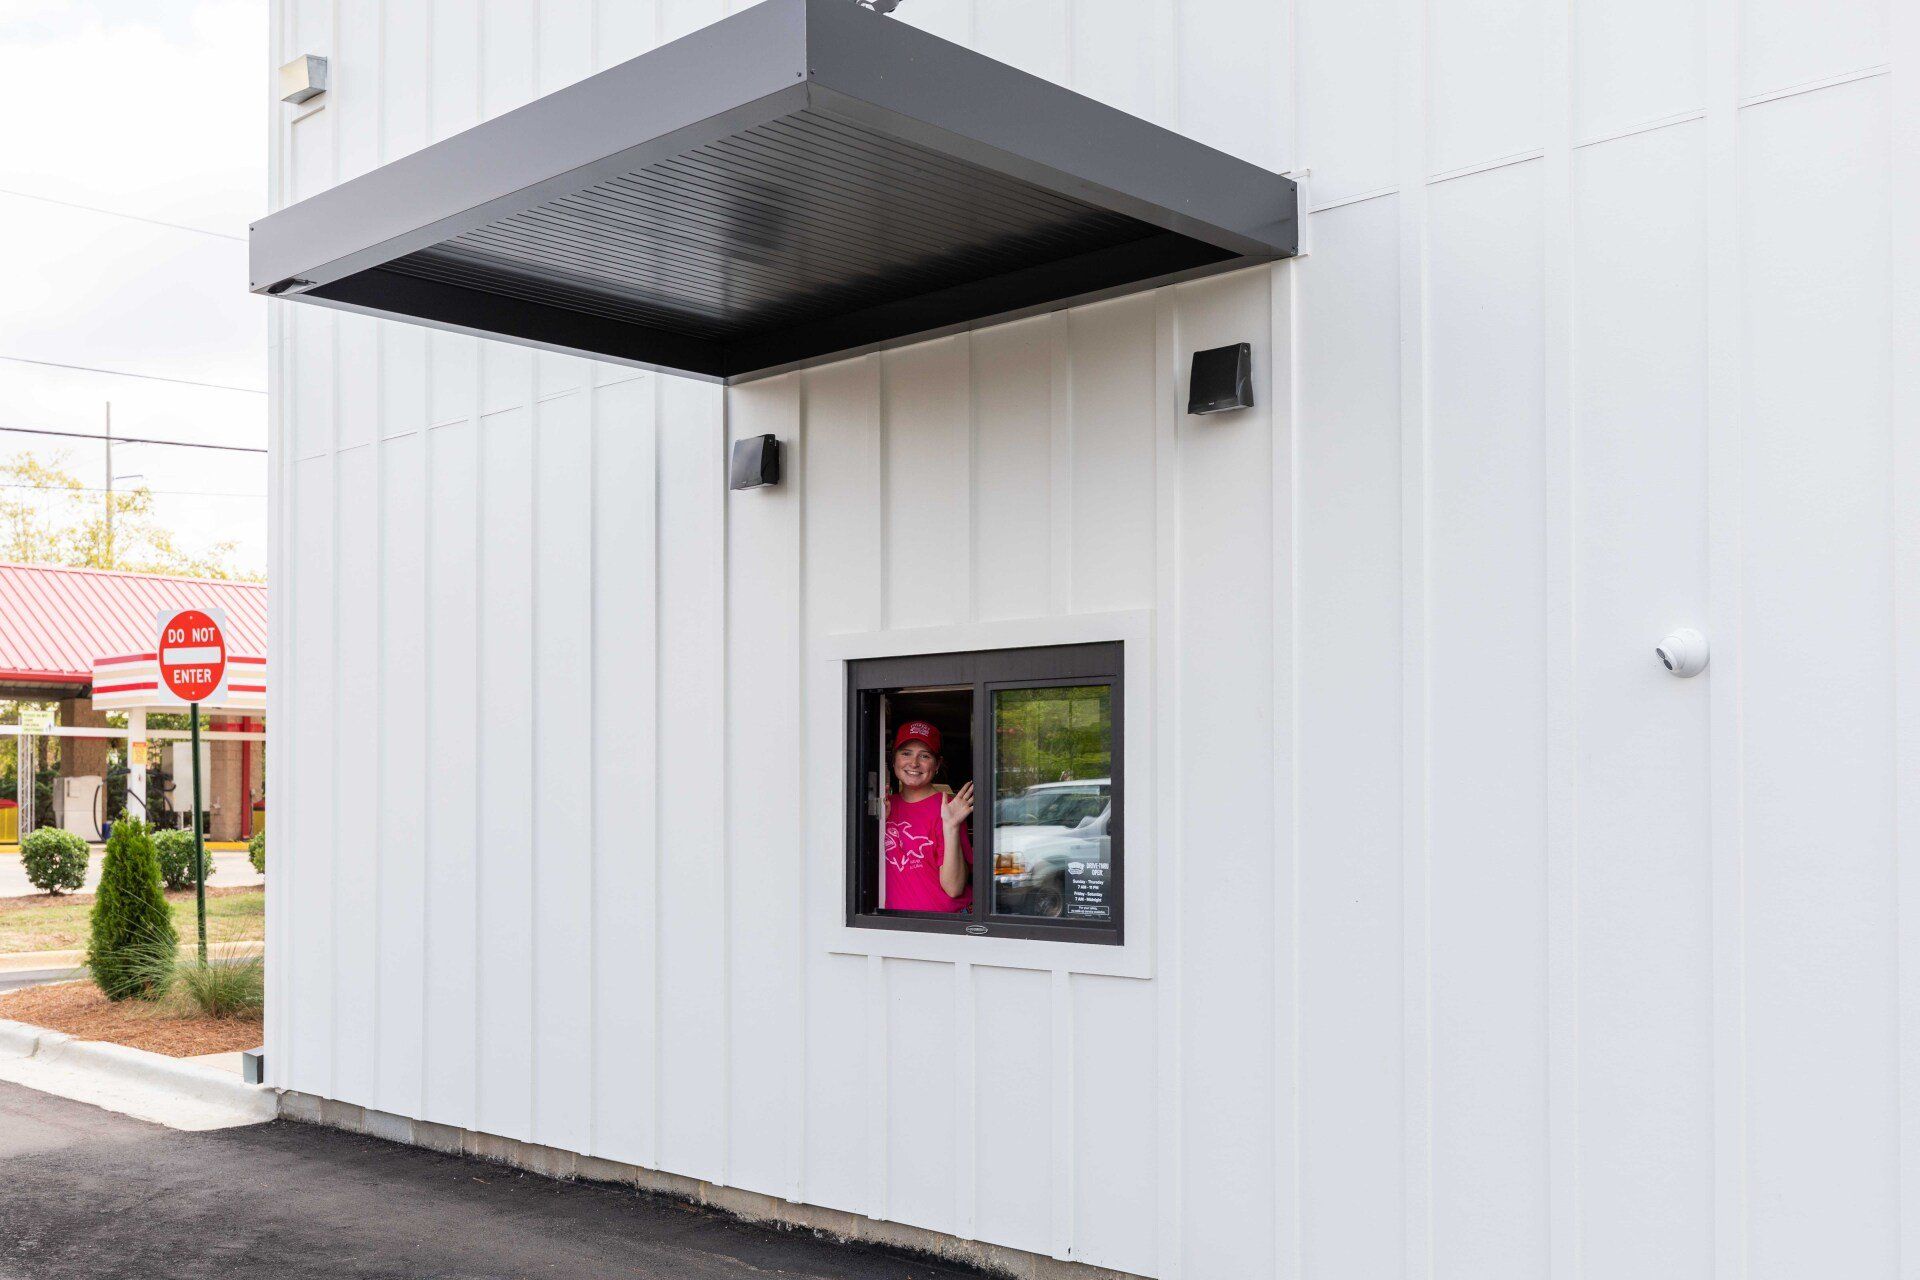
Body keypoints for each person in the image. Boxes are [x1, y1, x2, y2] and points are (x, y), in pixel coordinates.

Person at [883, 720, 973, 912]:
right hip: (891, 925)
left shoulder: (948, 808)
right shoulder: (884, 806)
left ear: (937, 764)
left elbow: (954, 889)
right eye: (906, 753)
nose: (914, 763)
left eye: (924, 755)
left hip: (941, 924)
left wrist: (951, 826)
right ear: (894, 760)